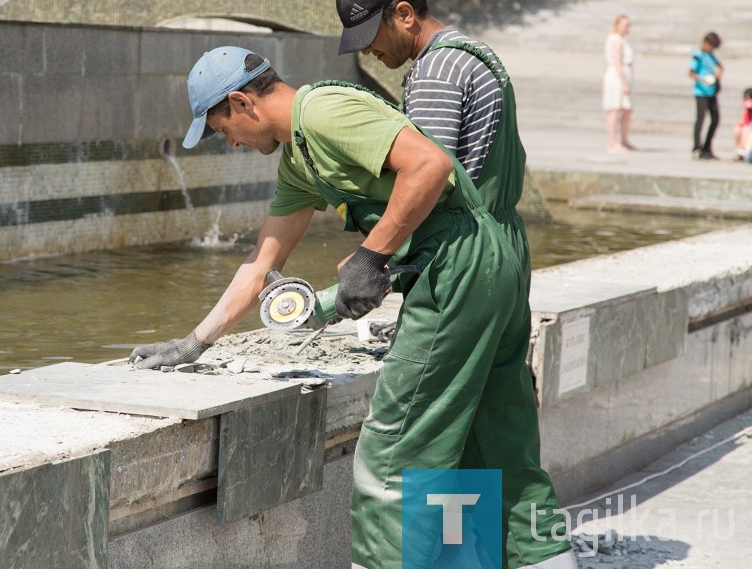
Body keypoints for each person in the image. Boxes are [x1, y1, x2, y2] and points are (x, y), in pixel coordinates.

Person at [128, 46, 577, 569]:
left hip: (458, 263)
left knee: (392, 456)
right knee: (498, 440)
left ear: (241, 102)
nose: (227, 142)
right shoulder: (299, 159)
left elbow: (430, 165)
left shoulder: (323, 111)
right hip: (487, 262)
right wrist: (194, 343)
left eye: (219, 128)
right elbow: (260, 265)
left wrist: (373, 253)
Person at [335, 0, 531, 284]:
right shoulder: (473, 52)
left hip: (462, 258)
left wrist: (372, 255)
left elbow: (427, 181)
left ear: (405, 14)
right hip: (506, 246)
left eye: (370, 35)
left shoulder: (435, 72)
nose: (367, 51)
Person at [602, 14, 636, 152]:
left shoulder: (622, 40)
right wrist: (624, 82)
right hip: (617, 76)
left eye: (628, 25)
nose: (627, 27)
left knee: (626, 109)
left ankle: (624, 139)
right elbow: (617, 62)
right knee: (614, 109)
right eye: (625, 24)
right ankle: (612, 141)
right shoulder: (616, 40)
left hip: (624, 73)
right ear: (617, 24)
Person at [689, 32, 724, 160]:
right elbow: (691, 72)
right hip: (701, 92)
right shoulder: (697, 55)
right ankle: (697, 147)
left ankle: (707, 147)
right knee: (700, 119)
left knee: (715, 118)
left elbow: (721, 67)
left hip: (712, 92)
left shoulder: (711, 55)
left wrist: (717, 77)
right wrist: (703, 80)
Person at [734, 87, 752, 162]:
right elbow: (745, 121)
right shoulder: (747, 110)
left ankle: (744, 152)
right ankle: (739, 152)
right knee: (738, 128)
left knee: (746, 130)